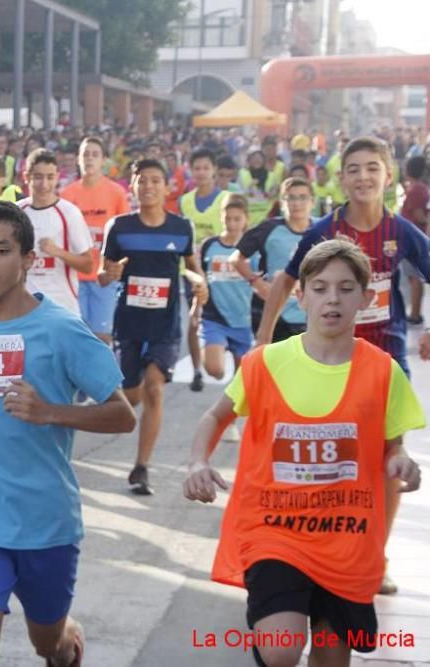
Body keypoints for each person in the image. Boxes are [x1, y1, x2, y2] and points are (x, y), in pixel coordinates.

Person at [184, 239, 424, 667]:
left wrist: (401, 462)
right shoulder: (265, 363)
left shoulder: (383, 370)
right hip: (275, 530)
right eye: (320, 287)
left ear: (367, 299)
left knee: (333, 657)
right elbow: (215, 416)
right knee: (280, 649)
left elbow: (393, 445)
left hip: (346, 537)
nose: (333, 298)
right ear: (300, 296)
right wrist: (197, 462)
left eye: (346, 288)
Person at [0, 200, 136, 667]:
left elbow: (122, 415)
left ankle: (67, 643)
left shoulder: (62, 330)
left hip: (45, 522)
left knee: (49, 643)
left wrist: (48, 412)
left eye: (1, 251)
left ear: (28, 259)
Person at [256, 138, 430, 595]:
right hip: (327, 361)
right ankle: (317, 549)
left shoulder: (401, 231)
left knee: (391, 456)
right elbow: (285, 279)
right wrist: (262, 341)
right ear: (341, 178)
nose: (363, 177)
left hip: (386, 360)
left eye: (372, 168)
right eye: (353, 169)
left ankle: (377, 555)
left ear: (389, 176)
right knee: (330, 460)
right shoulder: (324, 230)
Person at [101, 159, 207, 495]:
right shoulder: (118, 227)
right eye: (141, 181)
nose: (148, 186)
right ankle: (112, 405)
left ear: (167, 187)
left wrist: (198, 283)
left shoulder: (180, 228)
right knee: (131, 395)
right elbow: (105, 275)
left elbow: (191, 268)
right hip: (129, 322)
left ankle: (141, 467)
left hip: (164, 323)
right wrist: (110, 274)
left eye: (155, 180)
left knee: (155, 386)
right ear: (132, 187)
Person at [197, 193, 255, 446]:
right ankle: (203, 351)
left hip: (243, 320)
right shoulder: (210, 246)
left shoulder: (253, 248)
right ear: (220, 217)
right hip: (214, 317)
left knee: (239, 382)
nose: (231, 223)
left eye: (237, 219)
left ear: (245, 220)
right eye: (227, 218)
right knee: (215, 369)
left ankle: (229, 423)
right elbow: (197, 274)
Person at [61, 137, 131, 343]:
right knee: (75, 336)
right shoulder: (67, 194)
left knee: (102, 337)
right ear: (78, 159)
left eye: (95, 154)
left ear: (104, 160)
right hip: (74, 276)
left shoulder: (117, 193)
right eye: (85, 154)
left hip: (103, 277)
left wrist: (118, 267)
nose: (89, 159)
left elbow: (124, 234)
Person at [232, 177, 314, 344]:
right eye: (290, 198)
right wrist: (257, 282)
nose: (297, 203)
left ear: (312, 202)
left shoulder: (321, 229)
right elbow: (236, 258)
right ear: (282, 202)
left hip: (310, 314)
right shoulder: (268, 229)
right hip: (276, 314)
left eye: (302, 197)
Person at [18, 149, 93, 315]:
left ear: (57, 177)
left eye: (50, 177)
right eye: (38, 177)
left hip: (62, 309)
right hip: (23, 309)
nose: (44, 184)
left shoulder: (69, 213)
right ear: (26, 177)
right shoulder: (17, 212)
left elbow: (88, 265)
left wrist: (58, 252)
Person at [180, 149, 226, 392]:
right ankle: (197, 370)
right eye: (196, 168)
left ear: (214, 171)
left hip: (220, 271)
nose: (201, 172)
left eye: (205, 168)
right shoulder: (185, 201)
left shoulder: (225, 199)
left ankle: (222, 348)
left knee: (221, 316)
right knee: (194, 318)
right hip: (190, 270)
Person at [399, 155, 428, 325]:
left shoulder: (416, 190)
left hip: (413, 240)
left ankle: (415, 313)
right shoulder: (420, 188)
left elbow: (419, 215)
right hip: (415, 238)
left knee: (414, 277)